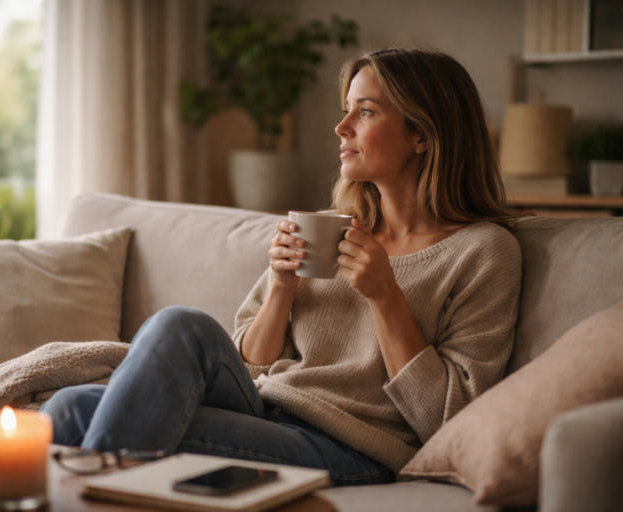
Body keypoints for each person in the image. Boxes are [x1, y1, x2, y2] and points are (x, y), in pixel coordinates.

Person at [40, 47, 522, 486]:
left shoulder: (482, 252)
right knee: (156, 341)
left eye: (366, 111)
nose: (342, 127)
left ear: (422, 134)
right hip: (268, 408)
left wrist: (385, 295)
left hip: (350, 447)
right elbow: (252, 365)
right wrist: (281, 287)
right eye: (346, 110)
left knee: (76, 414)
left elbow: (447, 419)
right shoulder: (338, 230)